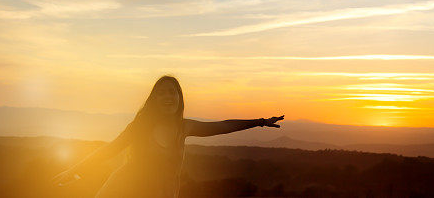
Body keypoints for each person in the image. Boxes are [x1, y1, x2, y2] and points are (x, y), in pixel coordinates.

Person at [51, 75, 283, 197]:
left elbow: (223, 126)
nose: (168, 96)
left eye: (172, 92)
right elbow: (110, 149)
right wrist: (75, 170)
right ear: (154, 99)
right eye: (161, 92)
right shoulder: (139, 127)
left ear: (180, 98)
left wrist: (260, 122)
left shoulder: (185, 127)